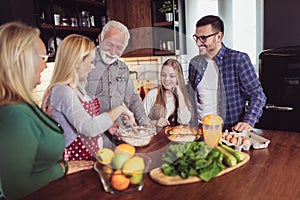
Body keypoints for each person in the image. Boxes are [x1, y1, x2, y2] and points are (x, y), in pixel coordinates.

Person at [0, 22, 93, 200]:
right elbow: (15, 188)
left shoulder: (21, 103)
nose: (44, 65)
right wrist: (62, 168)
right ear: (22, 60)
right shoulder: (14, 113)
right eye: (43, 57)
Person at [42, 34, 135, 161]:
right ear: (77, 62)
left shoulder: (78, 89)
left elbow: (86, 118)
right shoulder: (62, 91)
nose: (93, 67)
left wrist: (108, 126)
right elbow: (87, 128)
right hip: (76, 162)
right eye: (91, 62)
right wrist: (120, 109)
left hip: (90, 157)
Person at [188, 15, 266, 132]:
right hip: (200, 131)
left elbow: (257, 94)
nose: (198, 43)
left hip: (228, 131)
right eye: (196, 37)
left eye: (203, 38)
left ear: (218, 37)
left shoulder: (238, 60)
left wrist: (248, 121)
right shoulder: (194, 63)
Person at [85, 20, 150, 146]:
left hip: (119, 139)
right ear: (100, 38)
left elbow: (132, 99)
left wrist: (145, 124)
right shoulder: (85, 65)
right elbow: (78, 106)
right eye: (109, 44)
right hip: (93, 140)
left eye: (119, 47)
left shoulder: (123, 68)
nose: (113, 51)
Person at [142, 58, 192, 128]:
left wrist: (180, 95)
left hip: (175, 138)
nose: (166, 79)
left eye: (172, 76)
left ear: (178, 78)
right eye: (163, 75)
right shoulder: (153, 94)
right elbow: (140, 120)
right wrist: (155, 122)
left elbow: (184, 121)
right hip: (156, 138)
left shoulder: (184, 97)